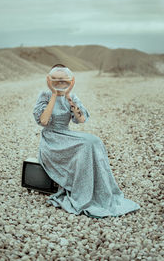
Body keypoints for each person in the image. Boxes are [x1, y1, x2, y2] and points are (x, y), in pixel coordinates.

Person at [33, 64, 140, 218]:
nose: (59, 82)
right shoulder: (45, 96)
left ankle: (98, 189)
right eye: (55, 79)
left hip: (66, 134)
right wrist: (54, 94)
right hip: (51, 140)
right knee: (86, 143)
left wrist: (68, 96)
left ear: (70, 80)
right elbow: (43, 121)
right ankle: (82, 191)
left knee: (94, 141)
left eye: (63, 80)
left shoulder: (72, 97)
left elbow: (81, 119)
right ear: (49, 80)